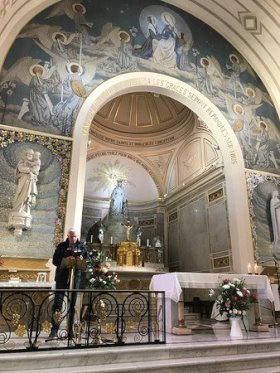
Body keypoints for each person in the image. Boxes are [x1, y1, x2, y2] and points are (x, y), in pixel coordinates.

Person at [47, 228, 87, 340]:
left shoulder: (82, 246)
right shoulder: (61, 246)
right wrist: (65, 260)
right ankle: (54, 330)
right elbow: (55, 260)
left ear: (77, 236)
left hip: (75, 278)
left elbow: (86, 259)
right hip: (62, 277)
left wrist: (82, 258)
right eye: (71, 236)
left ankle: (71, 331)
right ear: (68, 236)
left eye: (75, 236)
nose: (73, 238)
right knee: (58, 303)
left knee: (73, 304)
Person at [12, 149, 39, 214]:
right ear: (26, 155)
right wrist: (30, 171)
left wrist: (32, 171)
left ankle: (26, 210)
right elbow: (21, 168)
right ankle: (17, 209)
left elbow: (36, 171)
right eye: (28, 154)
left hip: (30, 181)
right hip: (23, 180)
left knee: (28, 195)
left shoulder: (34, 163)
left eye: (31, 155)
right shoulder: (22, 161)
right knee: (20, 192)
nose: (30, 155)